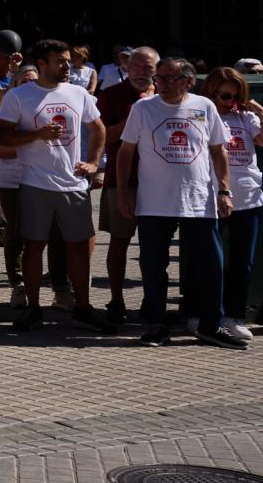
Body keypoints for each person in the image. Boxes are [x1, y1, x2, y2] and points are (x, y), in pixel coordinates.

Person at [115, 58, 245, 349]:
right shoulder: (143, 109)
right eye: (159, 78)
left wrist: (225, 191)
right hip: (154, 202)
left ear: (188, 81)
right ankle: (157, 325)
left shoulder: (205, 106)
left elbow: (218, 151)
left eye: (170, 79)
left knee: (211, 264)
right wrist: (124, 192)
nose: (161, 84)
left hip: (198, 200)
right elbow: (126, 152)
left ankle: (211, 325)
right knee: (153, 266)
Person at [0, 39, 110, 333]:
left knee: (80, 248)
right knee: (33, 246)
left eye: (68, 61)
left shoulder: (78, 93)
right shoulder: (20, 96)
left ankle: (82, 307)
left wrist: (94, 163)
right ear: (42, 64)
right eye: (60, 61)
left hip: (73, 184)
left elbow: (98, 128)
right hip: (35, 182)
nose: (67, 66)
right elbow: (3, 137)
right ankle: (34, 308)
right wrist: (37, 134)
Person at [200, 66, 263, 341]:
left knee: (242, 262)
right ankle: (203, 314)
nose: (229, 102)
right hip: (211, 197)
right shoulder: (201, 114)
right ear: (210, 92)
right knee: (210, 262)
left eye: (235, 97)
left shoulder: (245, 117)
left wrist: (262, 113)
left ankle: (233, 316)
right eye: (224, 96)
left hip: (249, 196)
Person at [95, 47, 159, 324]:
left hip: (159, 184)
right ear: (127, 68)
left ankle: (152, 300)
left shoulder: (167, 95)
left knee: (155, 247)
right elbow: (103, 138)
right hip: (122, 181)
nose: (143, 73)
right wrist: (134, 116)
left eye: (149, 68)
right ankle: (117, 300)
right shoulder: (110, 96)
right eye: (138, 67)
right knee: (120, 243)